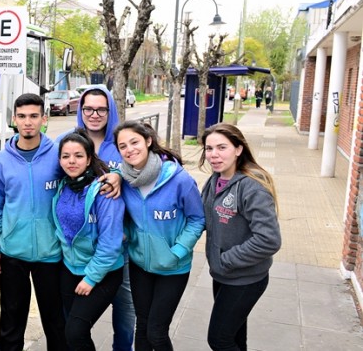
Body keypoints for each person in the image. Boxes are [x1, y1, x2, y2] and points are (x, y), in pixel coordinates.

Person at [114, 120, 205, 351]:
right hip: (139, 265)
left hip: (172, 267)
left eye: (134, 142)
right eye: (122, 146)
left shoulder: (179, 180)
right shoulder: (124, 180)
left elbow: (197, 219)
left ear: (148, 141)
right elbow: (127, 218)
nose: (129, 149)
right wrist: (126, 235)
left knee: (156, 331)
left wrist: (178, 252)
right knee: (142, 327)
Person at [57, 86, 136, 351]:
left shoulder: (121, 143)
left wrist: (120, 175)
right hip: (78, 253)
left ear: (110, 110)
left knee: (125, 317)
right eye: (88, 108)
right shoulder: (70, 141)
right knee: (77, 325)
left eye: (101, 109)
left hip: (118, 248)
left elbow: (149, 167)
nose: (94, 114)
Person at [0, 93, 68, 350]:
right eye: (22, 116)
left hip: (52, 253)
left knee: (56, 323)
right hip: (13, 253)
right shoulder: (0, 161)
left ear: (44, 119)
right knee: (11, 324)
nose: (28, 122)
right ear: (14, 120)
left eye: (34, 116)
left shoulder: (58, 154)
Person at [199, 123, 281, 351]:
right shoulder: (215, 180)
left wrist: (226, 260)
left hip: (244, 278)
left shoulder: (251, 187)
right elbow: (205, 219)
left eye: (221, 147)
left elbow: (269, 239)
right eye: (209, 148)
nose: (214, 155)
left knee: (219, 339)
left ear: (238, 149)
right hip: (223, 274)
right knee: (235, 338)